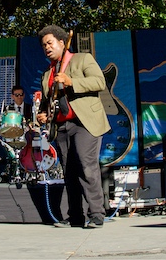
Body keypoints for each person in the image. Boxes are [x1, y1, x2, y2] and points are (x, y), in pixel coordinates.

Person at [34, 25, 109, 229]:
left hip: (85, 122)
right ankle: (75, 216)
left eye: (50, 43)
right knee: (69, 171)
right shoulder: (47, 74)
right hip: (61, 125)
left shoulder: (81, 59)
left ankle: (96, 214)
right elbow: (48, 102)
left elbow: (99, 82)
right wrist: (43, 114)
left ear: (61, 42)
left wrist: (70, 81)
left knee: (86, 165)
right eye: (43, 46)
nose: (47, 48)